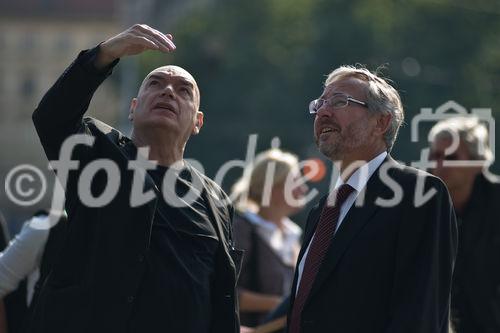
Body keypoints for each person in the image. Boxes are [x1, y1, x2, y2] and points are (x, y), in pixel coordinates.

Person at [29, 24, 241, 333]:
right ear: (133, 108)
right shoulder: (97, 157)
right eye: (156, 84)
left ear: (198, 121)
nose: (168, 91)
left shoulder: (216, 200)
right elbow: (51, 116)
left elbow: (219, 296)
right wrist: (105, 54)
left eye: (184, 91)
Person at [286, 66, 458, 333]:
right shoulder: (322, 210)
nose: (323, 112)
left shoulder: (420, 193)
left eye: (339, 101)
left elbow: (420, 312)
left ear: (381, 122)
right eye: (319, 104)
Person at [428, 116, 500, 333]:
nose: (440, 164)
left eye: (452, 156)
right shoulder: (420, 204)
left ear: (478, 163)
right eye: (436, 155)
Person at [231, 149, 306, 328]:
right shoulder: (242, 229)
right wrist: (281, 306)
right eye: (294, 182)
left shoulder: (292, 235)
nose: (303, 189)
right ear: (270, 188)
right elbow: (224, 291)